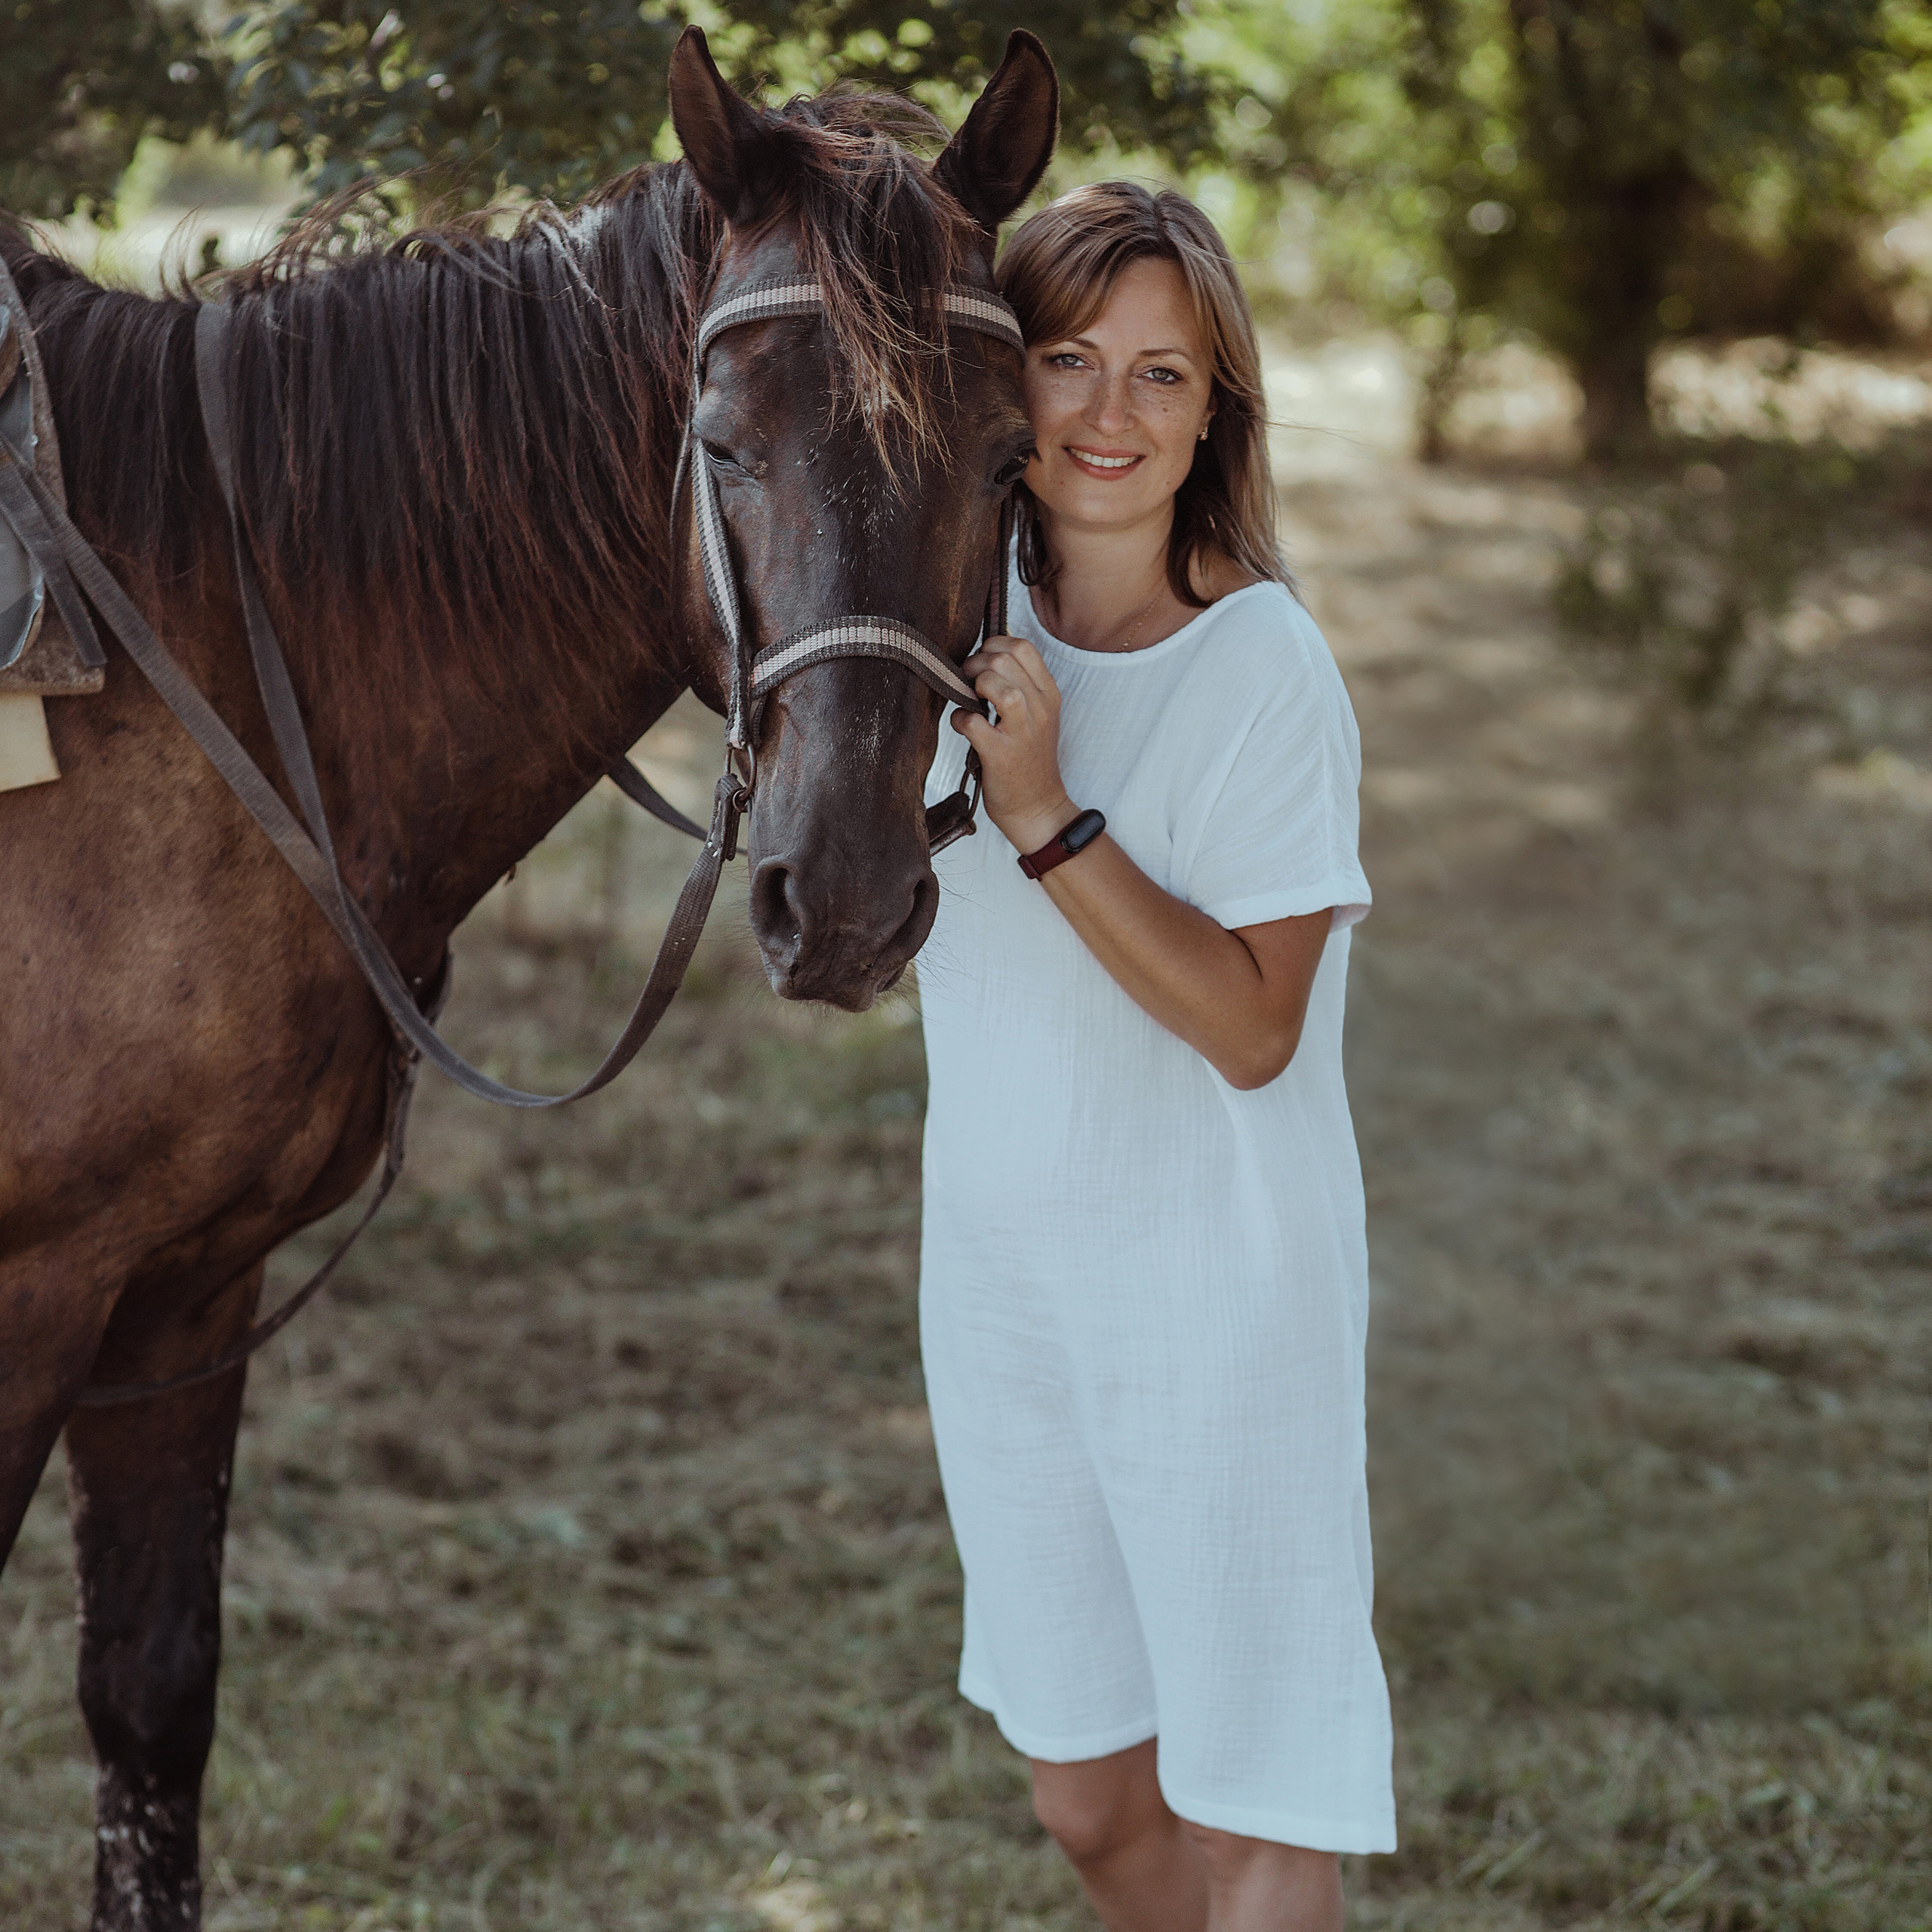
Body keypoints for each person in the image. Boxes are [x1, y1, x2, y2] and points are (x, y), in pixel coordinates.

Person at [916, 181, 1395, 1932]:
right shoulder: (947, 626)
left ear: (1213, 417)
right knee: (1087, 1793)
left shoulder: (1263, 668)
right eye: (1067, 360)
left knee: (1250, 1803)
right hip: (1000, 1286)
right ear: (1004, 380)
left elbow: (1255, 1027)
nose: (1107, 413)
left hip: (1217, 1297)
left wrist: (1044, 814)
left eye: (1160, 374)